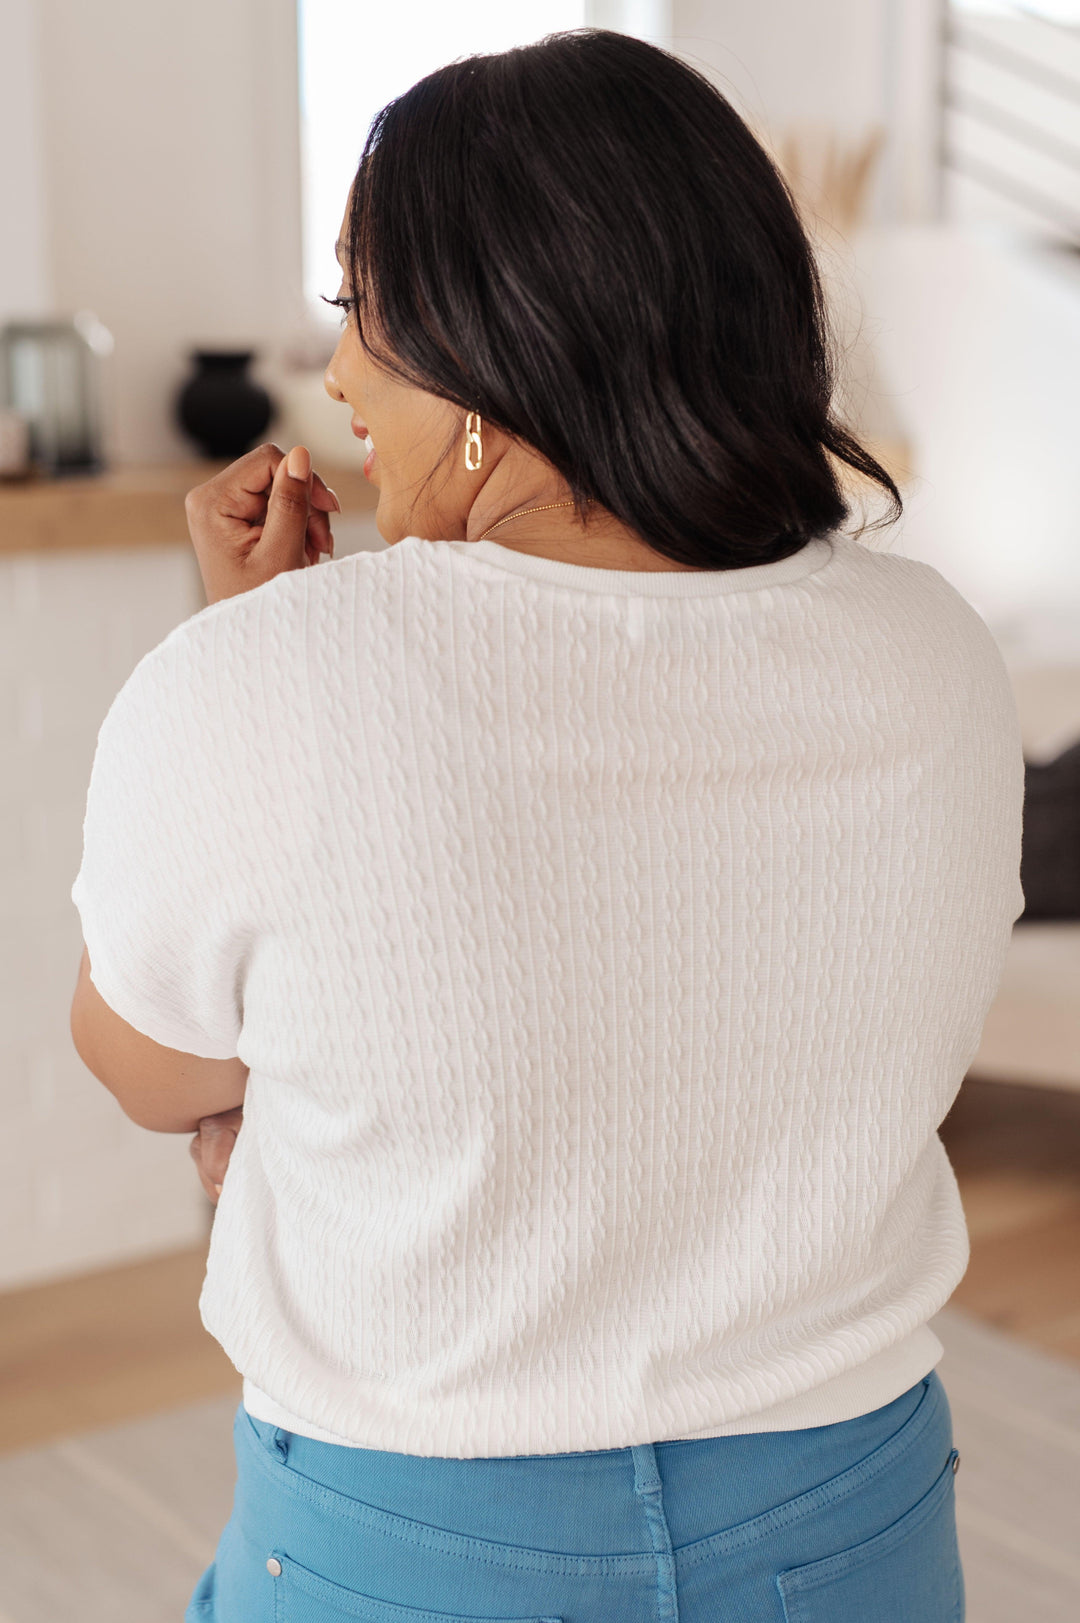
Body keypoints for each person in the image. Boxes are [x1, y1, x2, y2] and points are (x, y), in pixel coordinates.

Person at [69, 28, 1024, 1623]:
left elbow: (148, 1064)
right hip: (853, 1527)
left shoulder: (262, 682)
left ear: (494, 356)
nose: (340, 377)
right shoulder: (934, 651)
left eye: (360, 314)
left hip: (414, 1540)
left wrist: (244, 655)